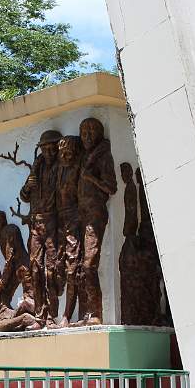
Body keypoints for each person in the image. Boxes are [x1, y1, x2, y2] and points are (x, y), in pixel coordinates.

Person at [20, 129, 62, 328]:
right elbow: (24, 195)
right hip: (36, 224)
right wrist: (28, 186)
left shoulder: (61, 167)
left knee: (51, 271)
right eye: (44, 148)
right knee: (35, 269)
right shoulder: (37, 168)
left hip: (54, 222)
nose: (48, 152)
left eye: (51, 148)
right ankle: (40, 316)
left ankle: (53, 316)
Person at [78, 118, 117, 324]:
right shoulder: (84, 157)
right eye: (84, 133)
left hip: (95, 214)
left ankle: (96, 313)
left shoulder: (103, 157)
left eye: (91, 132)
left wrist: (91, 178)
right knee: (77, 265)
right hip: (80, 214)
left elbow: (111, 188)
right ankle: (85, 313)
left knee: (89, 264)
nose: (87, 137)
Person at [56, 135, 83, 327]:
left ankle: (67, 314)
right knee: (58, 270)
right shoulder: (60, 171)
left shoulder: (77, 170)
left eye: (69, 154)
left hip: (75, 221)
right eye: (62, 153)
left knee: (73, 269)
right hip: (60, 223)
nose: (65, 157)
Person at [0, 210, 30, 312]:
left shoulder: (10, 230)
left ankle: (32, 316)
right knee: (4, 296)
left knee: (29, 295)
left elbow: (9, 258)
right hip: (13, 270)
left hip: (22, 267)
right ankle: (10, 316)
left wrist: (3, 280)